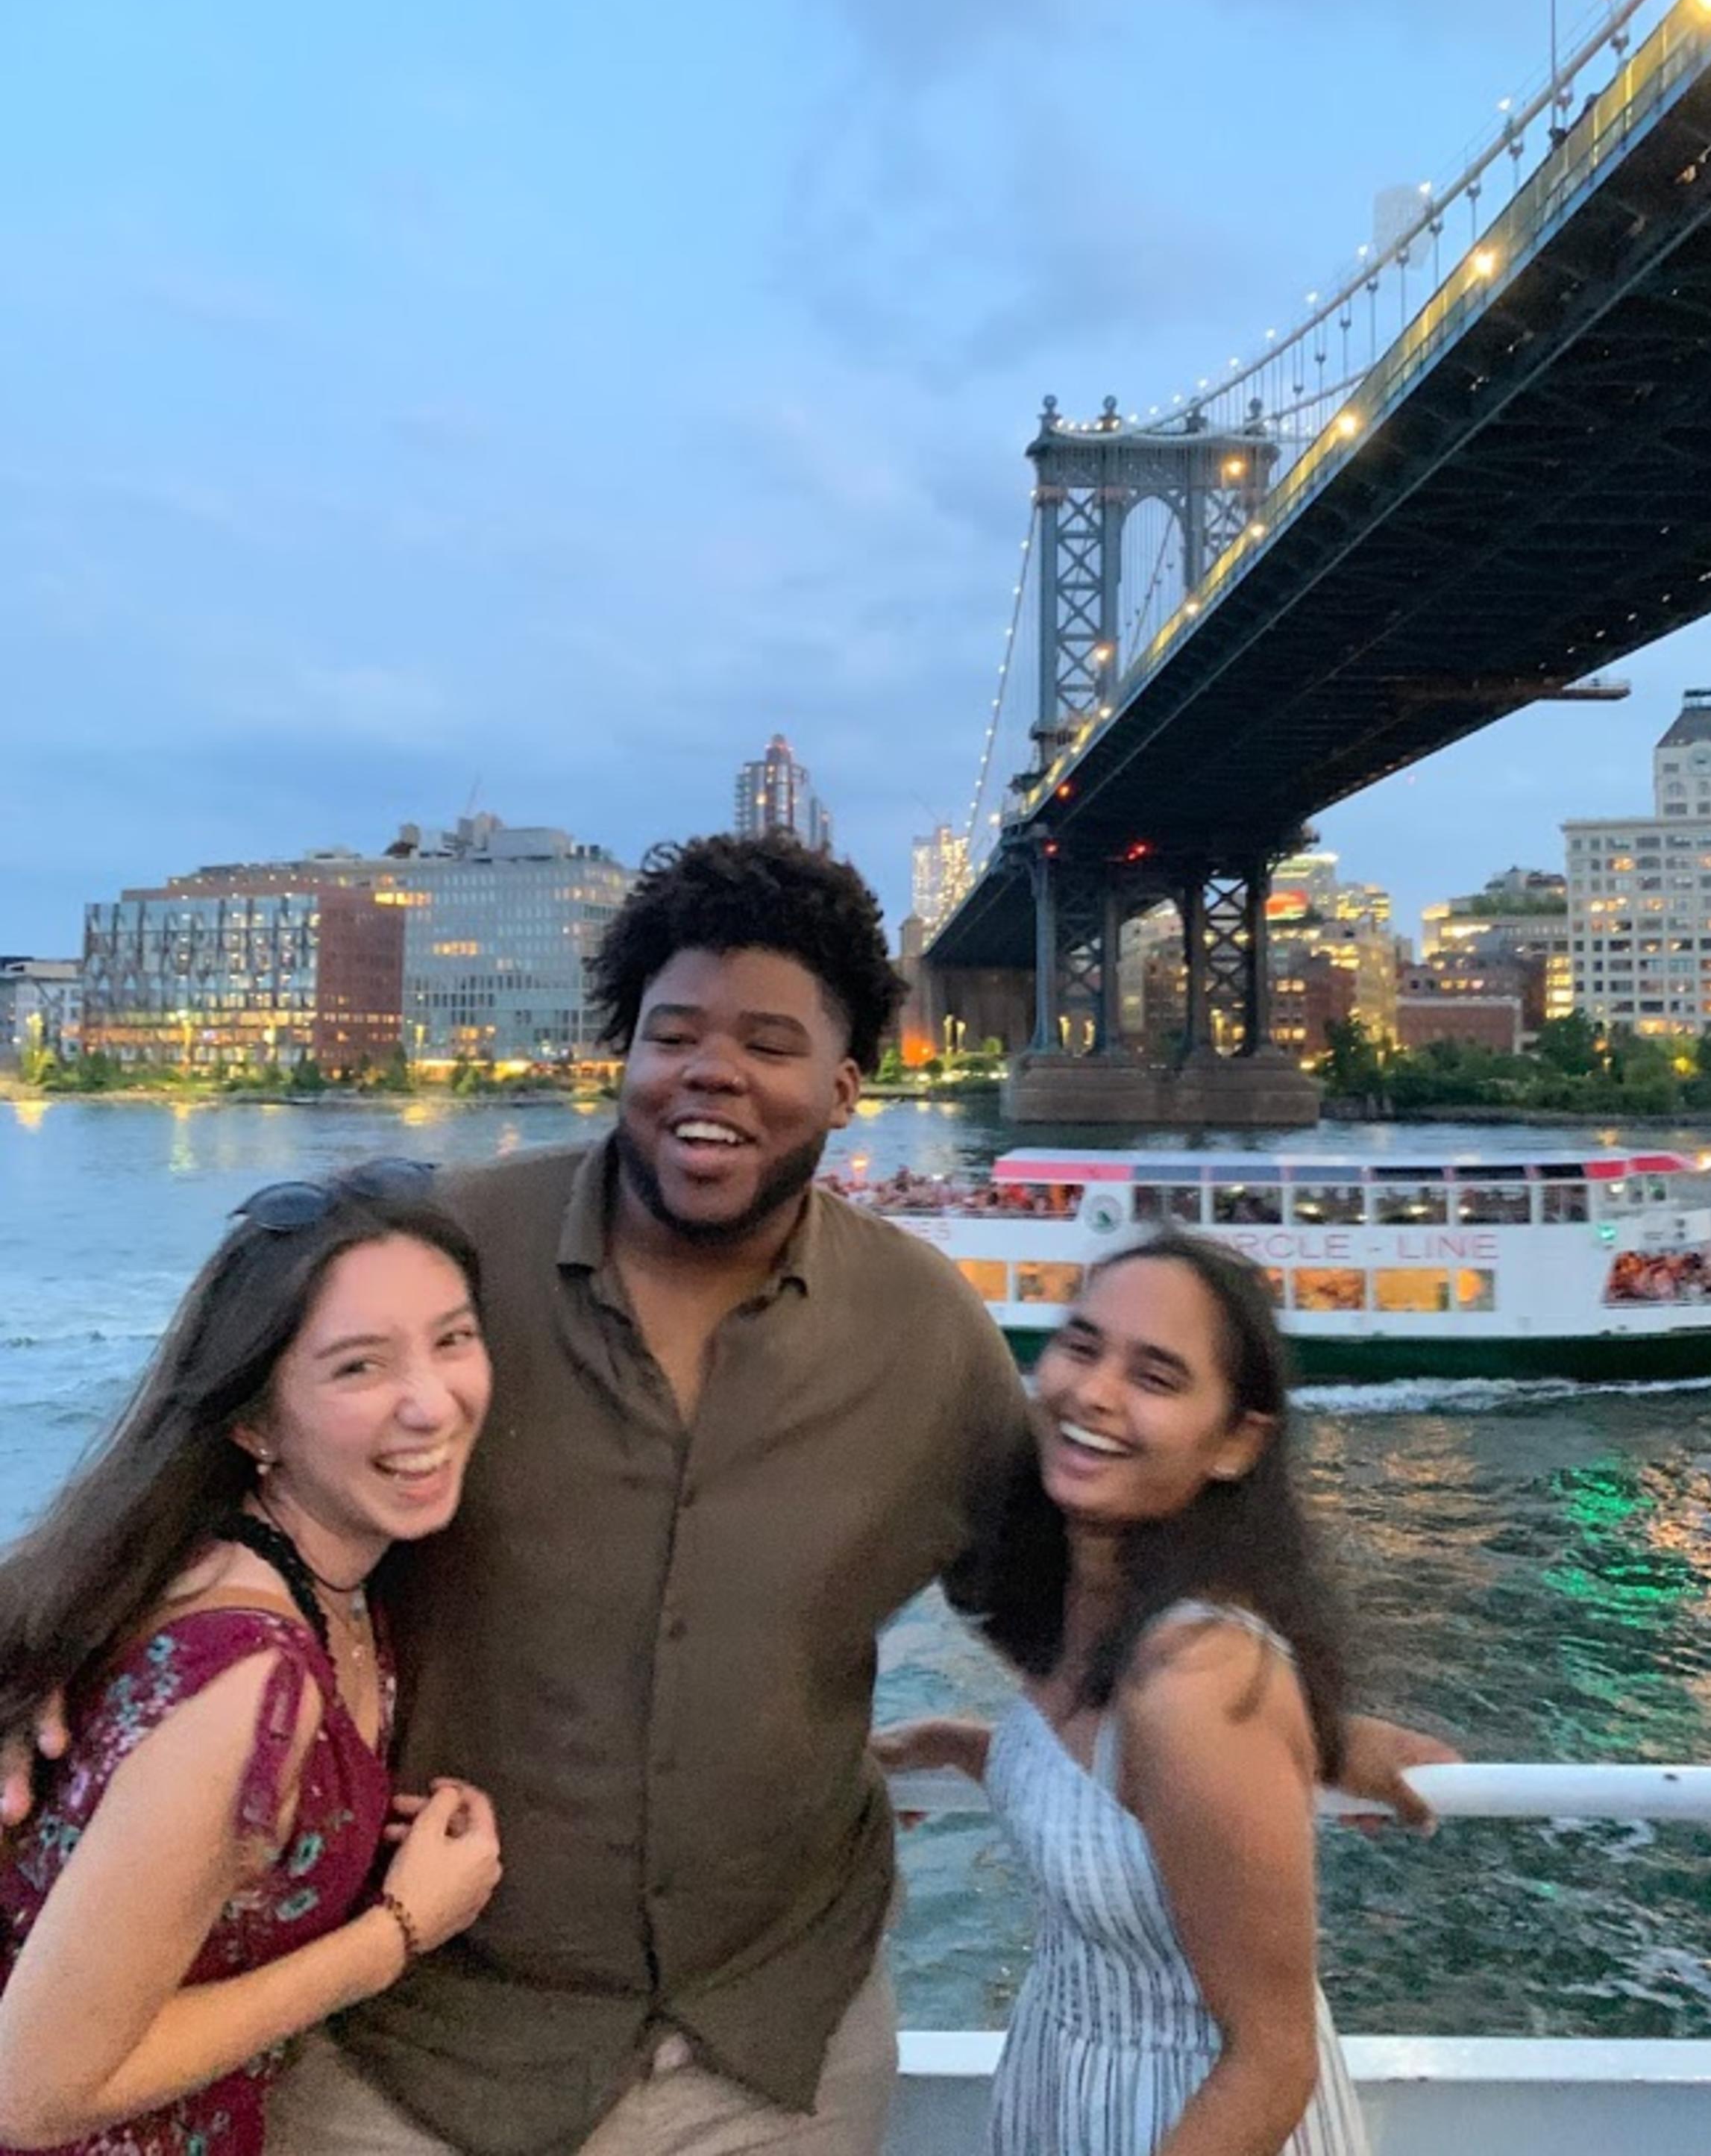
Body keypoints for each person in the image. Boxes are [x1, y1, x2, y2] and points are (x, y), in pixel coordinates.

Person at [5, 836, 1451, 2156]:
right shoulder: (451, 1262)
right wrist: (40, 1645)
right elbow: (210, 1443)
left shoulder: (923, 1327)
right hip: (414, 2053)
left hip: (775, 2059)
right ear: (620, 1053)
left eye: (772, 1041)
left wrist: (1292, 1724)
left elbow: (1052, 1594)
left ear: (843, 1083)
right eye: (674, 1032)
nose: (713, 1072)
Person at [0, 1163, 502, 2154]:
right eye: (359, 1366)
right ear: (255, 1422)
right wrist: (397, 1929)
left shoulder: (296, 1577)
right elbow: (31, 2090)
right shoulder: (244, 1676)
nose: (431, 1403)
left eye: (453, 1340)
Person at [875, 1233, 1371, 2156]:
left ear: (1235, 1444)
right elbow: (1118, 1809)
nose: (1094, 1392)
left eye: (1156, 1377)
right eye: (1082, 1344)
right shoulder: (1091, 1622)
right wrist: (955, 1743)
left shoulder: (1196, 1679)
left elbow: (1272, 2058)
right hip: (1073, 2091)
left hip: (1184, 2120)